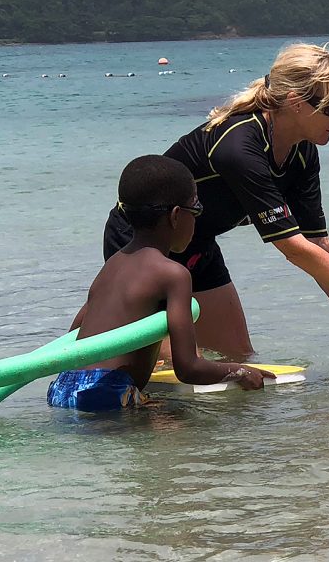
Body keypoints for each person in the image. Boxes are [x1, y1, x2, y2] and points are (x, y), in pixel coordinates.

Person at [104, 43, 329, 359]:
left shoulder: (303, 152)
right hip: (141, 243)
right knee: (174, 367)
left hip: (197, 244)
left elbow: (317, 244)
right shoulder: (239, 146)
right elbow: (292, 248)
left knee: (239, 359)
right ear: (295, 102)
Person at [47, 155, 274, 411]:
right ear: (176, 216)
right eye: (196, 209)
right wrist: (241, 372)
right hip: (109, 392)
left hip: (62, 388)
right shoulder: (173, 274)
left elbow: (74, 336)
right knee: (188, 424)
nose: (198, 219)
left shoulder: (112, 266)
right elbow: (189, 368)